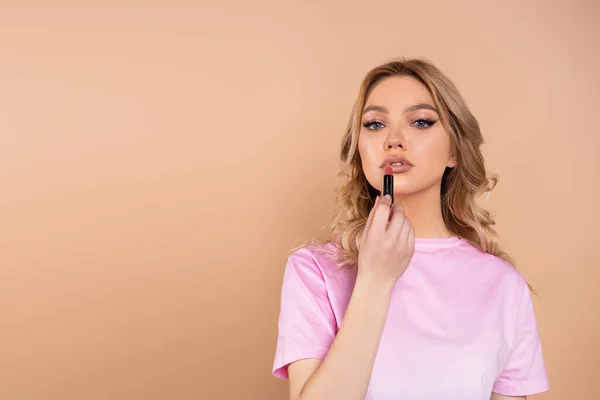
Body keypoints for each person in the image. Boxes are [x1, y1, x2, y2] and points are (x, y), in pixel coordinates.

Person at [271, 58, 550, 400]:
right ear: (358, 150)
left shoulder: (504, 286)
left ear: (455, 152)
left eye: (420, 121)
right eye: (374, 124)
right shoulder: (313, 270)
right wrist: (375, 281)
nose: (393, 140)